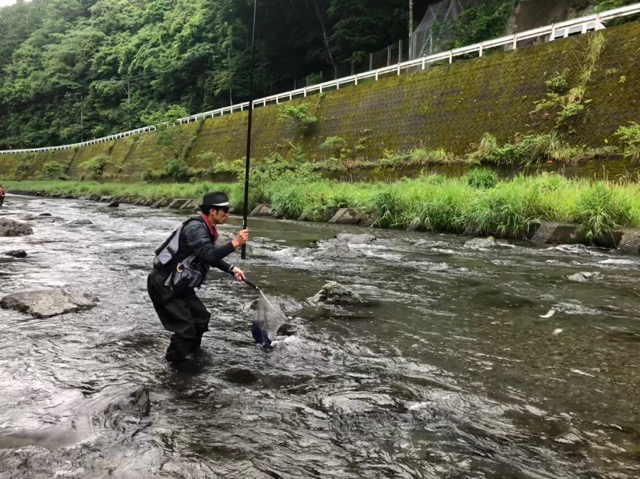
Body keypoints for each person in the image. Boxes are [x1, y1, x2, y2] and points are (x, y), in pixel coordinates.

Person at [147, 191, 249, 365]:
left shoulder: (207, 229)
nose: (227, 214)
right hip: (164, 283)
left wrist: (231, 269)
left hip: (179, 283)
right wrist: (235, 243)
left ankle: (192, 356)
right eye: (224, 210)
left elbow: (205, 256)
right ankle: (173, 368)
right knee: (186, 328)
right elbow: (209, 256)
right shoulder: (195, 228)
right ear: (212, 211)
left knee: (201, 318)